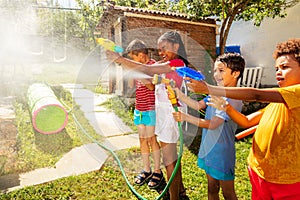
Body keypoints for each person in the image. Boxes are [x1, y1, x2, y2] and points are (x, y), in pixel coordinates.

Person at [186, 38, 300, 199]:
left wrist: (209, 89)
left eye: (285, 67)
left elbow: (256, 94)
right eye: (276, 68)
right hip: (259, 171)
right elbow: (245, 122)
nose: (278, 72)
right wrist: (226, 107)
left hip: (286, 180)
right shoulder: (278, 103)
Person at [106, 30, 189, 200]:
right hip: (166, 114)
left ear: (176, 46)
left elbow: (147, 69)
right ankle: (180, 191)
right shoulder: (168, 63)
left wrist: (120, 59)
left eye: (164, 48)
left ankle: (175, 197)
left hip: (170, 115)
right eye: (159, 49)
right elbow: (148, 73)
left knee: (169, 161)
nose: (161, 52)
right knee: (172, 158)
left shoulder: (176, 63)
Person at [172, 53, 245, 200]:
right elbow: (199, 104)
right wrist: (179, 94)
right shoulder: (214, 92)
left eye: (221, 70)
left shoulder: (233, 98)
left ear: (236, 73)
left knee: (228, 193)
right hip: (209, 147)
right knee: (212, 187)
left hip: (222, 153)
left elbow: (213, 125)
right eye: (215, 71)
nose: (216, 75)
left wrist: (186, 117)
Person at [125, 39, 163, 188]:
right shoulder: (137, 67)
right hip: (139, 109)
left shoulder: (153, 66)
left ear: (141, 55)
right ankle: (147, 169)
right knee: (142, 140)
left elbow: (152, 87)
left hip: (151, 109)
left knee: (152, 140)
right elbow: (131, 86)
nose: (132, 61)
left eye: (133, 58)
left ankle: (157, 171)